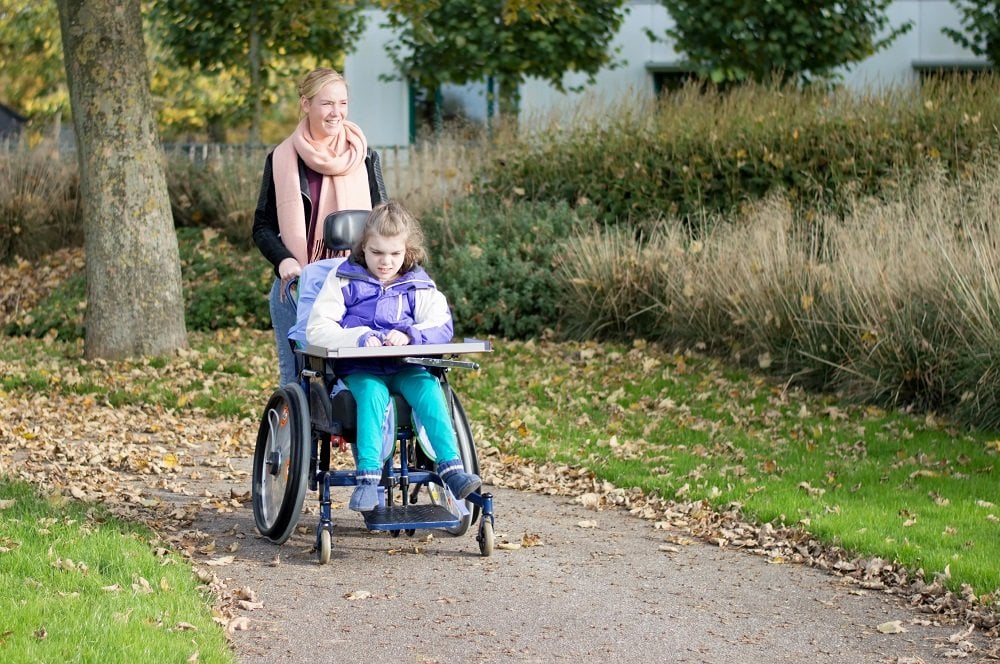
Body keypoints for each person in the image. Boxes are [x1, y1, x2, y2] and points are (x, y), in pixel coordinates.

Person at [305, 201, 482, 512]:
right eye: (376, 253)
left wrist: (411, 334)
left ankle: (452, 469)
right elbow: (318, 329)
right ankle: (368, 479)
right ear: (363, 247)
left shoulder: (418, 283)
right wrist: (360, 337)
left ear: (407, 251)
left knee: (428, 388)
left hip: (405, 366)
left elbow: (441, 325)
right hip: (360, 368)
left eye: (395, 254)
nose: (386, 262)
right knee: (372, 394)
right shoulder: (343, 279)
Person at [253, 67, 385, 387]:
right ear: (306, 104)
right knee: (298, 382)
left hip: (356, 286)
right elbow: (262, 226)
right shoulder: (282, 159)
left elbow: (386, 224)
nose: (336, 112)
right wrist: (284, 259)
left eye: (342, 103)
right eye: (326, 103)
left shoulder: (364, 156)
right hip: (300, 286)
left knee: (355, 379)